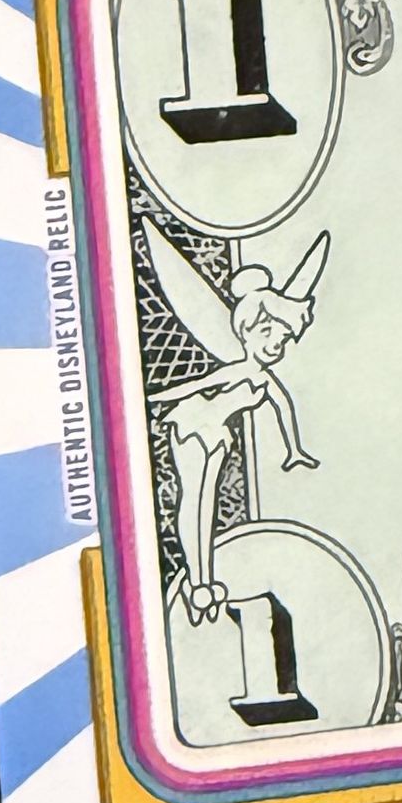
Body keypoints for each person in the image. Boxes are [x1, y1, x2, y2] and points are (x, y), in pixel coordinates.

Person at [150, 263, 319, 622]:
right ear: (245, 331)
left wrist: (295, 451)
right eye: (267, 332)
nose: (275, 343)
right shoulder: (237, 369)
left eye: (283, 337)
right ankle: (197, 581)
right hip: (194, 426)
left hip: (216, 434)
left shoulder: (263, 378)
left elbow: (283, 406)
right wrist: (153, 398)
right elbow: (196, 386)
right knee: (193, 499)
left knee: (206, 503)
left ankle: (203, 580)